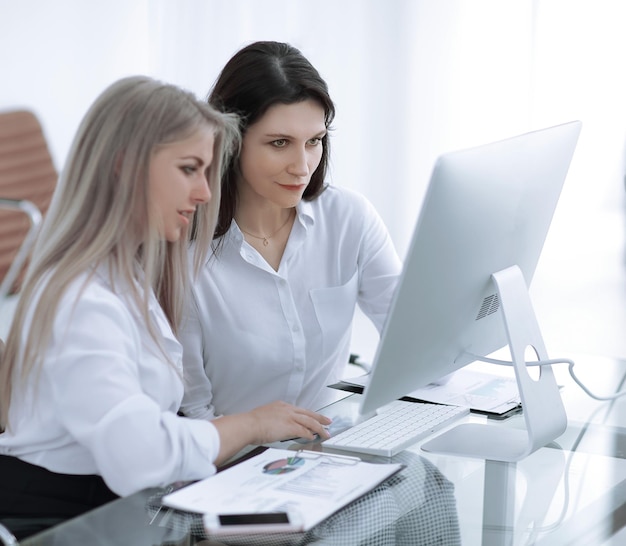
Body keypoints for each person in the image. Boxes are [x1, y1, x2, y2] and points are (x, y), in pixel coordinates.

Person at [0, 75, 330, 538]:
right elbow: (140, 454)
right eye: (189, 169)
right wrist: (252, 425)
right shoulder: (81, 301)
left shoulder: (126, 275)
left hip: (116, 510)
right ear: (124, 167)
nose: (205, 194)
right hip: (61, 525)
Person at [179, 41, 402, 420]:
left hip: (328, 451)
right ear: (230, 141)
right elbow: (192, 415)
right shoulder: (184, 250)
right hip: (229, 465)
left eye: (314, 141)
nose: (302, 166)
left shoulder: (349, 217)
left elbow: (414, 341)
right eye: (280, 143)